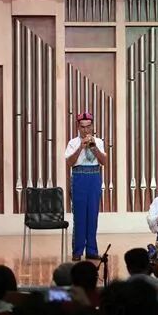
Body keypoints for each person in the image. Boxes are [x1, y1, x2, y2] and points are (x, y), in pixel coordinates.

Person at [65, 112, 107, 262]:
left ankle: (91, 250)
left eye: (88, 126)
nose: (86, 130)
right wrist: (80, 148)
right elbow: (70, 163)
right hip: (79, 178)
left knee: (93, 216)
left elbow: (104, 162)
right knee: (80, 216)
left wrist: (94, 148)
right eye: (82, 127)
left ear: (92, 126)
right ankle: (77, 251)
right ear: (78, 127)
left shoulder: (99, 141)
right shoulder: (72, 142)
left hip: (94, 178)